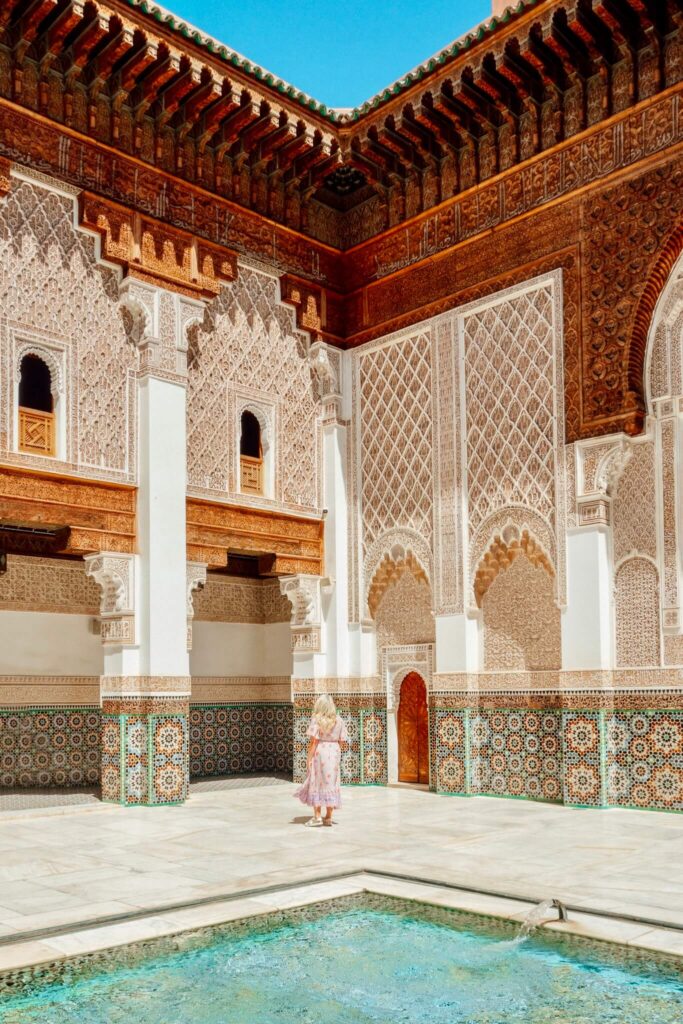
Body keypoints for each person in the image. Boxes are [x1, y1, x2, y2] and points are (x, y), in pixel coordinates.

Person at [294, 694, 348, 827]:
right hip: (334, 752)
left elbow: (314, 742)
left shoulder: (317, 720)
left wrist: (309, 759)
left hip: (320, 752)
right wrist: (335, 753)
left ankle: (317, 816)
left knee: (316, 783)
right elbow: (342, 741)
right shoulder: (339, 720)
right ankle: (328, 817)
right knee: (331, 783)